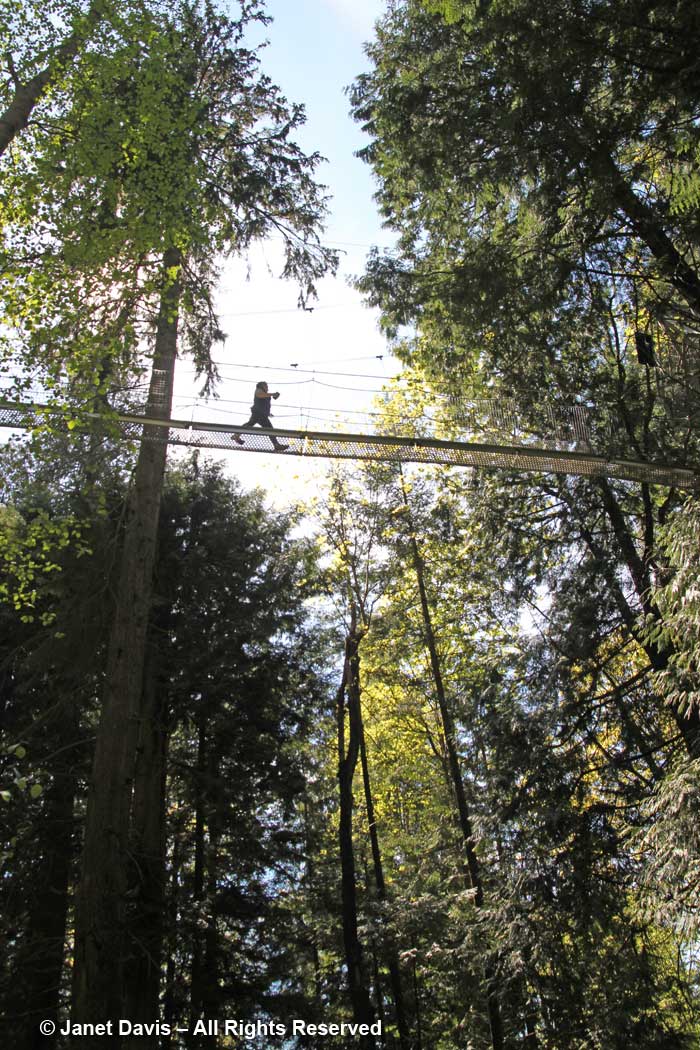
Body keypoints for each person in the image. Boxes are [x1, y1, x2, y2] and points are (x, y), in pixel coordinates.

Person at [234, 381, 289, 451]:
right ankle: (276, 445)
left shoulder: (265, 394)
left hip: (261, 414)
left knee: (250, 424)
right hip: (258, 413)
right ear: (262, 386)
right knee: (269, 429)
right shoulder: (259, 390)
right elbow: (259, 395)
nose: (267, 388)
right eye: (266, 386)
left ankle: (237, 435)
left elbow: (264, 404)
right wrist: (272, 394)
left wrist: (268, 413)